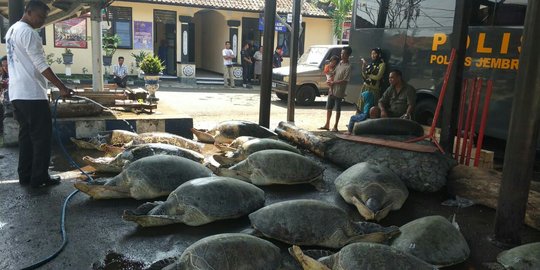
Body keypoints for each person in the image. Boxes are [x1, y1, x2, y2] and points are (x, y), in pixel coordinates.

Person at [6, 0, 73, 188]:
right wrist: (62, 87)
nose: (42, 21)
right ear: (28, 12)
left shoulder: (12, 30)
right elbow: (41, 64)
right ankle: (39, 177)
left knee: (26, 137)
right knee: (41, 138)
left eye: (45, 18)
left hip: (17, 94)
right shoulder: (28, 32)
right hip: (32, 94)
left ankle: (25, 176)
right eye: (40, 16)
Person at [319, 47, 352, 132]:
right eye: (341, 53)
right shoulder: (340, 63)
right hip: (332, 89)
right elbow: (334, 73)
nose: (342, 55)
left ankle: (335, 126)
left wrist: (334, 82)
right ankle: (327, 124)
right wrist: (329, 76)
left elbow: (345, 80)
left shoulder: (348, 67)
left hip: (339, 90)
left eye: (344, 54)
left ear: (348, 55)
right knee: (329, 107)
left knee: (337, 108)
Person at [0, 55, 8, 132]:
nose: (5, 67)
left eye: (7, 65)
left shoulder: (16, 75)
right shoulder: (2, 76)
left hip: (11, 101)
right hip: (3, 100)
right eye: (3, 66)